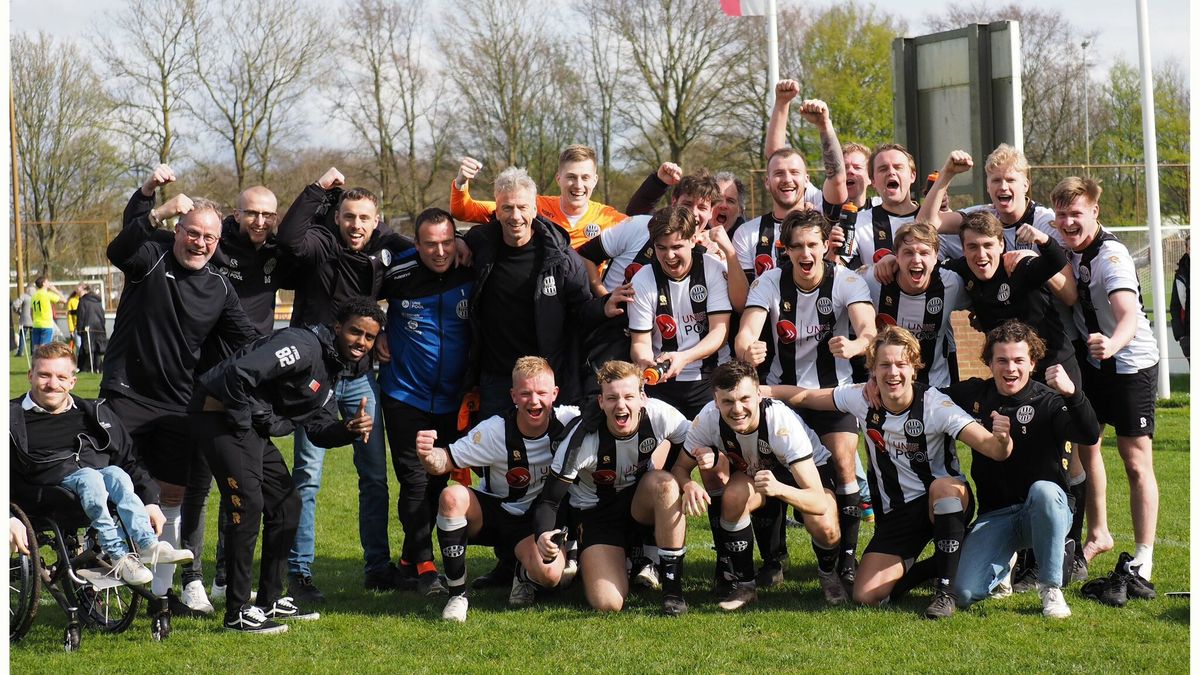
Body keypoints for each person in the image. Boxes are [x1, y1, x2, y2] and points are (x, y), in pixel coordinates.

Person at [103, 163, 259, 624]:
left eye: (209, 237)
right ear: (177, 231)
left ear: (218, 242)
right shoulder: (150, 257)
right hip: (126, 394)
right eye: (192, 233)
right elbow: (118, 248)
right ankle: (104, 569)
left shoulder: (220, 288)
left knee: (172, 493)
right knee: (112, 481)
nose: (200, 243)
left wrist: (300, 352)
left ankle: (161, 593)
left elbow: (249, 340)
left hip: (177, 405)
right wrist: (153, 204)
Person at [770, 326, 1013, 619]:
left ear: (914, 368)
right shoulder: (861, 398)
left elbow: (993, 449)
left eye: (901, 364)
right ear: (873, 370)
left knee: (943, 488)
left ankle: (945, 593)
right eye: (884, 365)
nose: (893, 372)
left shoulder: (936, 405)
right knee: (866, 595)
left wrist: (1002, 440)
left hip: (942, 501)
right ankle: (943, 561)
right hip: (898, 513)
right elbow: (808, 397)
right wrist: (764, 391)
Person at [194, 298, 382, 634]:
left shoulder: (332, 368)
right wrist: (246, 426)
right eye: (356, 332)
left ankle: (270, 599)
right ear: (338, 327)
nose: (361, 342)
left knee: (286, 505)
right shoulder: (303, 346)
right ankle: (237, 612)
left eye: (369, 337)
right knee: (248, 504)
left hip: (246, 425)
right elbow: (238, 374)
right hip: (219, 414)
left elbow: (319, 428)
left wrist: (348, 429)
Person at [275, 167, 412, 600]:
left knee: (374, 477)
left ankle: (377, 568)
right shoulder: (320, 245)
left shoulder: (381, 252)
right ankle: (299, 572)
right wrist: (318, 190)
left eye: (365, 219)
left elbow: (415, 254)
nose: (356, 225)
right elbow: (289, 238)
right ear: (337, 217)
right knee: (307, 477)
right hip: (314, 383)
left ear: (377, 221)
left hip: (360, 380)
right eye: (349, 216)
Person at [735, 209, 876, 587]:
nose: (806, 253)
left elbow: (868, 329)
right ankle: (773, 560)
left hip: (832, 395)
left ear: (826, 245)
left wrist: (856, 345)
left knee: (844, 462)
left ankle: (846, 560)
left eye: (813, 244)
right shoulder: (769, 281)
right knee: (769, 468)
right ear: (786, 249)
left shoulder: (846, 280)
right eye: (797, 246)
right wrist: (748, 349)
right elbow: (746, 332)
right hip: (779, 396)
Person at [181, 183, 300, 613]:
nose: (260, 221)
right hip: (207, 382)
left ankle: (224, 576)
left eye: (268, 215)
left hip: (253, 382)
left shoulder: (275, 252)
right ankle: (191, 577)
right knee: (198, 484)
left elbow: (306, 238)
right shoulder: (215, 246)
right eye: (252, 213)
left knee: (239, 484)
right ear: (236, 215)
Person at [947, 322, 1100, 618]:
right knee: (964, 593)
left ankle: (1050, 587)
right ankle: (1004, 565)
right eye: (1002, 360)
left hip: (1046, 508)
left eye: (1019, 360)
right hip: (996, 515)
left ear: (1032, 363)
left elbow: (1089, 434)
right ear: (989, 363)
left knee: (1043, 491)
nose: (1010, 369)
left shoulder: (1049, 400)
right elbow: (926, 396)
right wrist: (877, 384)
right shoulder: (974, 394)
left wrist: (1073, 394)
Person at [1051, 176, 1161, 585]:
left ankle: (1144, 556)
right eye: (1061, 214)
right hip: (1093, 365)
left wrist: (1112, 344)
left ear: (1095, 212)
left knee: (1134, 460)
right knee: (1085, 444)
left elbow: (1128, 314)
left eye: (1076, 214)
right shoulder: (1063, 240)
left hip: (1130, 365)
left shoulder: (1111, 256)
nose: (1067, 222)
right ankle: (1099, 533)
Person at [11, 342, 193, 586]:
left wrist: (150, 500)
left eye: (61, 377)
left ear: (72, 381)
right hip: (44, 493)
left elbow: (129, 459)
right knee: (90, 477)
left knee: (117, 473)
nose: (53, 384)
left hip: (97, 485)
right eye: (44, 375)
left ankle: (148, 544)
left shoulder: (95, 413)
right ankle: (117, 554)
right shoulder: (10, 417)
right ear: (30, 376)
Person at [416, 357, 579, 622]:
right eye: (525, 393)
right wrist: (427, 454)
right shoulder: (494, 430)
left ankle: (522, 572)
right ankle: (457, 596)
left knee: (550, 577)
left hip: (534, 524)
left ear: (555, 394)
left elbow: (608, 409)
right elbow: (444, 461)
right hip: (494, 514)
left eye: (541, 393)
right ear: (513, 395)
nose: (534, 401)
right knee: (451, 496)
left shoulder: (571, 421)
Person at [679, 360, 843, 610]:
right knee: (733, 497)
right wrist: (688, 484)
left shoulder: (780, 423)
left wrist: (779, 489)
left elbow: (819, 502)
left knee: (825, 525)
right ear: (715, 400)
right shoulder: (708, 419)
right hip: (757, 472)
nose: (737, 409)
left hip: (805, 472)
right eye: (727, 401)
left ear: (758, 395)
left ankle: (828, 574)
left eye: (745, 399)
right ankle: (745, 586)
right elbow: (679, 468)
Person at [533, 361, 692, 615]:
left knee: (665, 485)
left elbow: (697, 443)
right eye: (612, 398)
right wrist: (543, 534)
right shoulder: (581, 440)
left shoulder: (661, 415)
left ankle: (673, 592)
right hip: (596, 514)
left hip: (638, 501)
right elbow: (550, 500)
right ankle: (604, 558)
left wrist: (689, 479)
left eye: (629, 396)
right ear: (601, 402)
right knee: (608, 603)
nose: (621, 405)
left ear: (642, 398)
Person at [377, 208, 475, 595]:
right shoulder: (397, 271)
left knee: (438, 479)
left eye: (447, 242)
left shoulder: (470, 267)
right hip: (405, 394)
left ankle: (407, 561)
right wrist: (376, 328)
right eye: (430, 244)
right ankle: (425, 566)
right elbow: (354, 296)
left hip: (453, 399)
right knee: (414, 480)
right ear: (415, 244)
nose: (440, 251)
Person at [463, 166, 607, 417]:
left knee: (550, 443)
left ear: (534, 209)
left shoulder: (562, 258)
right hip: (496, 378)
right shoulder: (480, 245)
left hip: (544, 379)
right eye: (507, 208)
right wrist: (457, 241)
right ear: (497, 210)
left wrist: (605, 306)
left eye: (522, 207)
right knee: (495, 442)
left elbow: (582, 312)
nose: (515, 216)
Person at [628, 205, 736, 419]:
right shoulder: (642, 279)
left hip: (711, 376)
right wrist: (645, 360)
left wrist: (685, 358)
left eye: (676, 246)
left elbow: (719, 333)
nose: (669, 256)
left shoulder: (712, 268)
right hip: (663, 381)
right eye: (661, 248)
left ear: (693, 239)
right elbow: (639, 342)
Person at [735, 83, 847, 279]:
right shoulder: (747, 233)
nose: (787, 179)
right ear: (767, 181)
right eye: (779, 173)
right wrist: (781, 102)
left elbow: (836, 176)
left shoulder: (822, 215)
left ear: (806, 180)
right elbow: (775, 156)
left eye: (794, 172)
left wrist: (824, 125)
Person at [453, 145, 640, 249]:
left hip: (587, 301)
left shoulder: (609, 218)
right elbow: (464, 211)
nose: (578, 185)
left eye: (585, 178)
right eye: (571, 177)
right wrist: (461, 182)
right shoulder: (530, 206)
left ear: (595, 180)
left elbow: (646, 233)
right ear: (558, 178)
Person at [861, 222, 968, 387]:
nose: (916, 260)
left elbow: (980, 298)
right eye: (908, 252)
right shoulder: (873, 281)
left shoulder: (951, 284)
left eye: (924, 253)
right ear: (896, 256)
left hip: (936, 387)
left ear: (936, 257)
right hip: (887, 387)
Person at [75, 284, 107, 373]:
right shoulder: (97, 301)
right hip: (99, 327)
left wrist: (79, 329)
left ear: (85, 290)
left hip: (88, 328)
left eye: (78, 290)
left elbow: (81, 316)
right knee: (97, 348)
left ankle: (87, 368)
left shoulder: (83, 301)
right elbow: (102, 315)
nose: (77, 292)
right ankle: (98, 368)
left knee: (88, 348)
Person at [30, 277, 66, 348]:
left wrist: (33, 321)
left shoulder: (34, 296)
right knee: (44, 348)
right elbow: (64, 300)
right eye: (47, 282)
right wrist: (55, 290)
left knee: (36, 348)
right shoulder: (47, 294)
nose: (49, 283)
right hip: (46, 325)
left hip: (36, 324)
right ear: (43, 283)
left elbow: (31, 311)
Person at [1170, 244, 1189, 360]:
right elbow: (1174, 306)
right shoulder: (1181, 275)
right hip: (1189, 336)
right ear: (1187, 250)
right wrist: (1181, 336)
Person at [13, 283, 33, 357]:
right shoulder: (37, 296)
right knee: (33, 336)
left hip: (25, 319)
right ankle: (33, 352)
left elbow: (15, 305)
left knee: (22, 336)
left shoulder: (24, 296)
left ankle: (20, 352)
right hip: (35, 319)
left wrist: (18, 312)